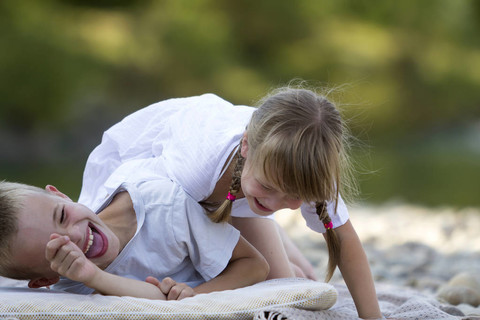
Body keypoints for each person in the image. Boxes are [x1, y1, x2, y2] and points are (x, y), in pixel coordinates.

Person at [79, 85, 382, 318]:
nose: (276, 203)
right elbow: (157, 225)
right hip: (147, 187)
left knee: (297, 287)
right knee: (254, 280)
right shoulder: (194, 168)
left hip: (237, 189)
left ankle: (278, 243)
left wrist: (373, 316)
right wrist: (197, 292)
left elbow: (344, 238)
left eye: (292, 197)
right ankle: (267, 238)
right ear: (246, 144)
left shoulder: (303, 171)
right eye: (269, 186)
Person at [0, 172, 269, 299]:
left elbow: (255, 264)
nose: (75, 235)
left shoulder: (165, 207)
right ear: (47, 279)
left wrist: (194, 296)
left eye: (61, 216)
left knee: (286, 270)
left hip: (221, 208)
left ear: (60, 194)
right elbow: (155, 299)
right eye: (59, 249)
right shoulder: (69, 288)